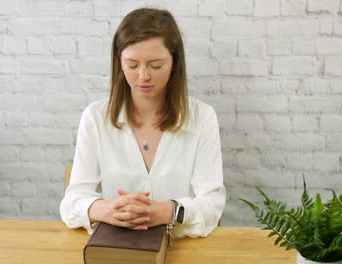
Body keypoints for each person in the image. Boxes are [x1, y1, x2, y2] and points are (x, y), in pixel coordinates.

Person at [60, 8, 225, 238]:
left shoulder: (202, 118)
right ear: (119, 62)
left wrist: (170, 211)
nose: (143, 76)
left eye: (155, 65)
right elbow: (72, 202)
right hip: (115, 250)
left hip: (182, 249)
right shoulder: (95, 118)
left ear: (174, 63)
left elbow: (213, 202)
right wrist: (106, 210)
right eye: (132, 64)